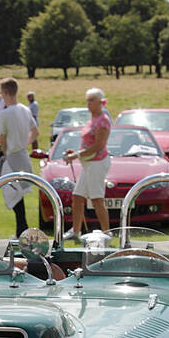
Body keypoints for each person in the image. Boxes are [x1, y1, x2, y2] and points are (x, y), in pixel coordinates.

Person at [63, 86, 111, 236]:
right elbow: (88, 143)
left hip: (97, 162)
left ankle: (107, 232)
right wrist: (76, 152)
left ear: (101, 102)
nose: (88, 104)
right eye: (87, 101)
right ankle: (76, 231)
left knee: (97, 198)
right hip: (88, 163)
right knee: (77, 197)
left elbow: (98, 145)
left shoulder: (103, 121)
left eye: (92, 101)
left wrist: (76, 155)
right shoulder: (93, 119)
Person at [0, 76, 37, 237]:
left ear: (5, 93)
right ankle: (21, 229)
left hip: (12, 157)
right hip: (23, 156)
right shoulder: (25, 110)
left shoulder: (5, 113)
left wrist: (5, 152)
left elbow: (2, 138)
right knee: (17, 194)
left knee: (12, 193)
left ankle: (22, 230)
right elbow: (35, 132)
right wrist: (24, 143)